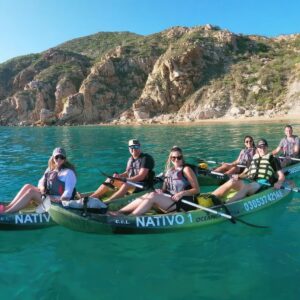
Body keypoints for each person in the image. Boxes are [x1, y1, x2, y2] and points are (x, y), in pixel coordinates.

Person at [114, 146, 200, 216]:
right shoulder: (169, 170)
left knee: (153, 197)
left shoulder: (186, 169)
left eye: (179, 157)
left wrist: (181, 193)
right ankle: (119, 212)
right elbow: (164, 190)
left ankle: (131, 217)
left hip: (183, 203)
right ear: (170, 158)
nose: (176, 160)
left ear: (182, 158)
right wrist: (160, 191)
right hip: (170, 200)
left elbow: (196, 190)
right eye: (173, 158)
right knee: (150, 194)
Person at [0, 147, 77, 214]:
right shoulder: (50, 169)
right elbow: (40, 182)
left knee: (31, 192)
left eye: (61, 157)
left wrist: (56, 199)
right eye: (57, 157)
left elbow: (68, 193)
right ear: (53, 158)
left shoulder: (69, 173)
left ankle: (7, 213)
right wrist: (43, 189)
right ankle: (8, 207)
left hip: (59, 203)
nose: (59, 159)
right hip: (48, 196)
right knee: (27, 186)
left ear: (64, 159)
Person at [211, 138, 285, 203]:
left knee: (248, 187)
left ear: (267, 147)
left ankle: (227, 204)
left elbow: (281, 176)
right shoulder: (252, 159)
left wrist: (279, 182)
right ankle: (212, 197)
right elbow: (244, 173)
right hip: (249, 182)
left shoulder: (273, 160)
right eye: (260, 147)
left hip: (261, 185)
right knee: (232, 181)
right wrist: (238, 176)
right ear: (257, 148)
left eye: (264, 147)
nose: (262, 149)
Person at [90, 139, 155, 203]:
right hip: (131, 183)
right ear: (129, 148)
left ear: (139, 147)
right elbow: (127, 173)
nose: (133, 149)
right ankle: (93, 197)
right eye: (131, 147)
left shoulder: (146, 158)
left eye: (136, 147)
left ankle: (107, 202)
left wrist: (125, 180)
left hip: (143, 185)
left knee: (126, 184)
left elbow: (141, 176)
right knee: (110, 179)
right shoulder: (130, 159)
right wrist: (119, 176)